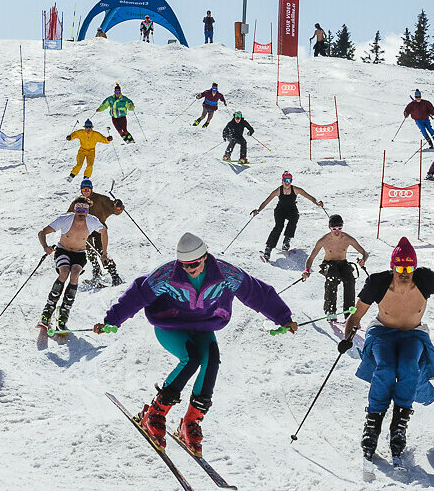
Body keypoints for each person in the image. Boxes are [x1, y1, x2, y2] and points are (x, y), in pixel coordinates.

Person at [94, 232, 298, 454]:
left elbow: (257, 293)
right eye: (185, 265)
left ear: (204, 256)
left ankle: (190, 422)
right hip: (170, 325)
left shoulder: (226, 273)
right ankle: (155, 414)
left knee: (211, 360)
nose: (189, 269)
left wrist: (283, 317)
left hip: (203, 325)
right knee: (192, 358)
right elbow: (138, 294)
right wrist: (111, 320)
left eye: (194, 264)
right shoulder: (167, 274)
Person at [339, 237, 434, 467]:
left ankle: (399, 425)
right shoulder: (378, 283)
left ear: (414, 267)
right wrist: (348, 336)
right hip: (382, 333)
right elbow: (356, 316)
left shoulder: (425, 279)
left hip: (414, 334)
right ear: (392, 267)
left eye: (409, 267)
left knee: (409, 367)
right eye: (399, 267)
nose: (404, 272)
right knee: (386, 368)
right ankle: (373, 424)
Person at [37, 197, 107, 335]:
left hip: (79, 254)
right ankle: (48, 311)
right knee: (64, 273)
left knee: (74, 274)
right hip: (63, 250)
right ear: (74, 209)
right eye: (79, 209)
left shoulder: (92, 221)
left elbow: (104, 232)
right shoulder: (65, 219)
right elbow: (42, 232)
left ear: (88, 211)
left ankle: (63, 315)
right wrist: (45, 246)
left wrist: (104, 253)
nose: (81, 213)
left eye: (84, 210)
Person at [302, 214, 370, 315]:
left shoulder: (347, 238)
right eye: (334, 228)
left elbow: (365, 253)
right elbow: (311, 258)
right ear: (329, 228)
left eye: (339, 228)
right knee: (332, 277)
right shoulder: (323, 240)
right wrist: (307, 271)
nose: (337, 231)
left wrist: (363, 260)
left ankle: (349, 312)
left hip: (343, 263)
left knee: (350, 280)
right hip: (328, 264)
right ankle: (330, 309)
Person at [252, 171, 323, 261]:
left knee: (294, 218)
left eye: (289, 180)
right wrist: (258, 210)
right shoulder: (278, 190)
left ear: (291, 181)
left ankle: (287, 240)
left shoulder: (296, 189)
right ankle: (268, 249)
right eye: (285, 180)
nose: (287, 182)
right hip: (280, 210)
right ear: (282, 181)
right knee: (278, 227)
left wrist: (317, 203)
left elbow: (308, 196)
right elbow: (267, 201)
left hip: (291, 210)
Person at [78, 179, 125, 285]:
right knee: (90, 253)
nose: (86, 192)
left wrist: (118, 206)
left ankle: (114, 275)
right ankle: (96, 273)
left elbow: (114, 209)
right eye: (83, 190)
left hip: (99, 230)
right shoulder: (78, 202)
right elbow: (70, 214)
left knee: (101, 252)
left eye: (88, 189)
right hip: (86, 232)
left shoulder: (100, 199)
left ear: (91, 189)